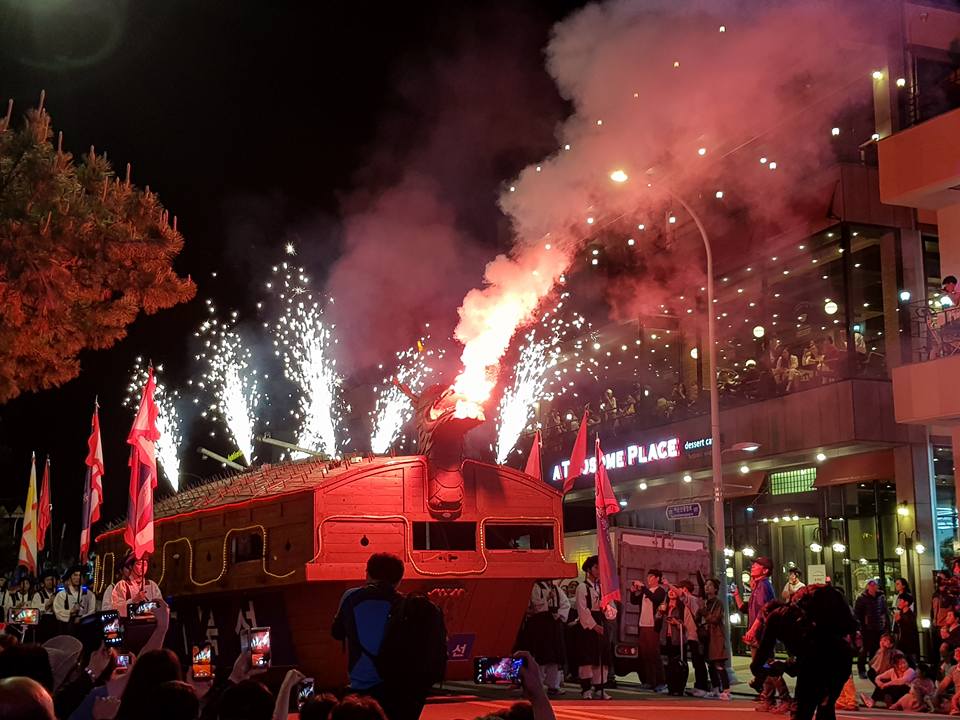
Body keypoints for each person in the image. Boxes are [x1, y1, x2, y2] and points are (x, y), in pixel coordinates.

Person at [332, 553, 429, 720]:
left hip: (360, 690)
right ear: (399, 580)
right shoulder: (406, 605)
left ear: (368, 573)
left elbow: (336, 632)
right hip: (398, 691)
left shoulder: (350, 597)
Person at [733, 556, 790, 711]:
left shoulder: (764, 586)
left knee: (768, 666)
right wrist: (737, 595)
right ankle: (768, 699)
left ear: (765, 570)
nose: (753, 566)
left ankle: (785, 699)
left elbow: (763, 612)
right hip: (758, 633)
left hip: (763, 634)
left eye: (757, 565)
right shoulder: (758, 586)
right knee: (763, 668)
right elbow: (748, 609)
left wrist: (752, 630)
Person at [574, 556, 613, 700]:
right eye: (596, 568)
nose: (598, 571)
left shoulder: (602, 588)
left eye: (599, 568)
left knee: (602, 658)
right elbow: (582, 609)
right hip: (588, 627)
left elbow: (612, 608)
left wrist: (607, 610)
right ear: (589, 569)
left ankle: (600, 687)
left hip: (601, 621)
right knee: (587, 658)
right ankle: (586, 689)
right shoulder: (582, 587)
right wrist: (594, 626)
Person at [520, 580, 569, 697]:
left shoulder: (556, 588)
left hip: (554, 624)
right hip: (539, 624)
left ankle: (554, 686)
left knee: (554, 657)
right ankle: (537, 685)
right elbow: (536, 605)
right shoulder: (535, 587)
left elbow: (565, 603)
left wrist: (559, 614)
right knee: (540, 656)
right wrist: (547, 599)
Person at [629, 568, 667, 693]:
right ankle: (649, 681)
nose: (648, 579)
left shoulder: (660, 591)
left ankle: (661, 682)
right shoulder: (646, 591)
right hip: (643, 625)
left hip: (653, 626)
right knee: (645, 655)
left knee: (654, 654)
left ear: (657, 578)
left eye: (651, 577)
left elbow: (656, 599)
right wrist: (633, 591)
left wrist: (644, 588)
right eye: (648, 576)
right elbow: (634, 601)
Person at [698, 577, 730, 700]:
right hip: (706, 637)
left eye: (710, 585)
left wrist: (704, 611)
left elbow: (715, 619)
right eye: (706, 585)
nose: (707, 587)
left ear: (715, 589)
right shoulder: (705, 602)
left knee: (719, 664)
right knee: (710, 664)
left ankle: (726, 690)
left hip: (716, 637)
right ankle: (716, 689)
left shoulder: (718, 603)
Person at [675, 580, 709, 697]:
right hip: (691, 635)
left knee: (699, 662)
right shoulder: (688, 603)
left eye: (679, 588)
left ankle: (702, 687)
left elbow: (681, 596)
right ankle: (698, 686)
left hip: (695, 636)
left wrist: (667, 584)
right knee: (696, 662)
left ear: (685, 589)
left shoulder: (691, 599)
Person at [854, 579, 889, 678]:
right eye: (871, 585)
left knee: (875, 650)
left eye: (875, 585)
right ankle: (861, 670)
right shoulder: (862, 598)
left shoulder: (881, 597)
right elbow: (857, 613)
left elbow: (884, 611)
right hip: (866, 628)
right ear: (867, 586)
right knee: (865, 649)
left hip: (878, 627)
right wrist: (859, 627)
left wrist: (885, 624)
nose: (873, 587)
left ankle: (873, 669)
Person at [110, 552, 161, 618]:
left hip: (150, 624)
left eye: (145, 564)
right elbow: (116, 608)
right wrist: (134, 600)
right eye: (139, 564)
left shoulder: (152, 585)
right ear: (131, 566)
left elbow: (160, 606)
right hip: (131, 625)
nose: (142, 567)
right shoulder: (122, 585)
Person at [53, 567, 95, 631]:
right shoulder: (62, 594)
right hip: (66, 628)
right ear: (70, 578)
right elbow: (58, 612)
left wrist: (81, 618)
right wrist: (71, 611)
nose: (78, 578)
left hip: (85, 627)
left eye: (80, 575)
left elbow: (92, 611)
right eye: (75, 575)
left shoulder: (89, 594)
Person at [894, 594, 920, 662]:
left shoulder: (910, 615)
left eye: (900, 601)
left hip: (908, 646)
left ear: (906, 603)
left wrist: (899, 621)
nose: (898, 602)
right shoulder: (900, 613)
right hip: (901, 644)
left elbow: (909, 630)